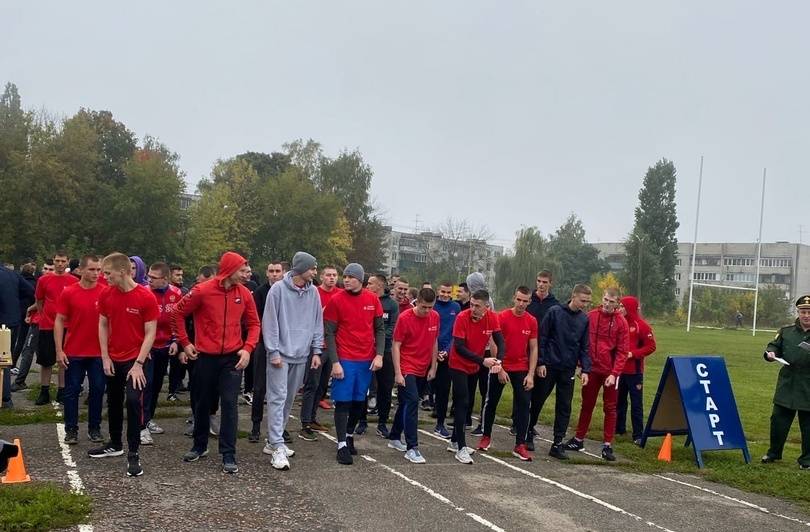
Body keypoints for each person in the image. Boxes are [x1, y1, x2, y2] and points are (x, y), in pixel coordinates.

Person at [173, 252, 260, 474]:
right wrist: (185, 342)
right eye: (242, 270)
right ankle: (199, 445)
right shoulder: (202, 291)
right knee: (202, 402)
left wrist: (248, 349)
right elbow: (178, 313)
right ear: (229, 270)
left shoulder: (244, 293)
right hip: (205, 357)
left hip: (232, 358)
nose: (246, 275)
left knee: (230, 403)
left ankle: (228, 452)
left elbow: (254, 323)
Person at [88, 252, 159, 478]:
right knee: (114, 400)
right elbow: (102, 324)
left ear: (122, 271)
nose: (104, 277)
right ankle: (115, 443)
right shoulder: (107, 294)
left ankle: (134, 452)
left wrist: (138, 363)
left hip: (136, 360)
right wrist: (105, 356)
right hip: (113, 358)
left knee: (133, 401)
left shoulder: (145, 297)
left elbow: (151, 332)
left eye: (107, 273)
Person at [262, 252, 324, 471]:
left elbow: (317, 322)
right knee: (277, 398)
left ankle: (274, 440)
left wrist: (316, 351)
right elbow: (270, 322)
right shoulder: (278, 289)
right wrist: (273, 351)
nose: (315, 272)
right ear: (302, 268)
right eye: (312, 268)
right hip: (280, 354)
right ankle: (277, 445)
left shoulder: (313, 292)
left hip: (301, 354)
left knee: (288, 399)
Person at [323, 263, 385, 465]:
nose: (346, 280)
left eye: (351, 277)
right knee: (343, 402)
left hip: (366, 360)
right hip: (345, 358)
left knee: (359, 402)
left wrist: (379, 355)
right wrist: (335, 362)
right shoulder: (336, 300)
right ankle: (341, 444)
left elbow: (379, 329)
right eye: (345, 276)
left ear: (360, 279)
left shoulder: (372, 299)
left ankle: (349, 434)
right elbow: (329, 332)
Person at [565, 287, 628, 461]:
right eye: (605, 300)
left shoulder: (621, 322)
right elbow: (582, 343)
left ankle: (607, 444)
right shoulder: (591, 316)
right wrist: (581, 365)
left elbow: (622, 351)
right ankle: (578, 439)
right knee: (587, 404)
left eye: (611, 302)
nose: (607, 304)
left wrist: (614, 373)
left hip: (610, 372)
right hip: (591, 369)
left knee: (610, 407)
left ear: (617, 303)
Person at [477, 286, 538, 461]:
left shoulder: (532, 321)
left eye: (525, 301)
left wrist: (531, 374)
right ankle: (486, 436)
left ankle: (520, 444)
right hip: (500, 365)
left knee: (524, 405)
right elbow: (493, 343)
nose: (521, 304)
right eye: (518, 299)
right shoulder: (501, 317)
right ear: (514, 298)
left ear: (529, 302)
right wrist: (500, 367)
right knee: (491, 402)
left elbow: (534, 348)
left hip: (521, 367)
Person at [534, 284, 592, 460]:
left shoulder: (584, 319)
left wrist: (585, 369)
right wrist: (541, 362)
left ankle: (557, 443)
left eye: (588, 302)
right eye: (583, 300)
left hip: (568, 368)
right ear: (573, 296)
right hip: (550, 365)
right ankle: (528, 432)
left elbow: (585, 346)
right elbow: (542, 338)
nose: (585, 305)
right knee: (538, 399)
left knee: (565, 406)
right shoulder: (554, 312)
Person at [447, 289, 504, 464]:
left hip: (474, 365)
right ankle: (461, 447)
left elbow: (500, 341)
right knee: (462, 401)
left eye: (477, 306)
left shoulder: (492, 317)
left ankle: (454, 441)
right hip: (458, 364)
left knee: (469, 401)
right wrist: (483, 360)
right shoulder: (462, 317)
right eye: (471, 304)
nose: (473, 309)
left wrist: (499, 361)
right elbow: (459, 347)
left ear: (487, 307)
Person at [54, 254, 105, 444]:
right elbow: (59, 320)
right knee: (72, 391)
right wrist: (59, 350)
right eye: (92, 269)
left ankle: (94, 428)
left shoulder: (105, 291)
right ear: (81, 270)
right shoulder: (69, 292)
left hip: (98, 352)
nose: (96, 273)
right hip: (74, 350)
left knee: (98, 390)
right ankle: (71, 429)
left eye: (98, 270)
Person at [387, 288, 439, 463]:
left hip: (423, 367)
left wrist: (433, 366)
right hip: (407, 365)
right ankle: (412, 447)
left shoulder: (435, 317)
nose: (427, 311)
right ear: (417, 302)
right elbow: (396, 345)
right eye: (424, 307)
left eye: (430, 307)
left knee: (405, 403)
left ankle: (394, 436)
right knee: (412, 402)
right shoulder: (405, 318)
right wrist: (398, 372)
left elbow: (434, 342)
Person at [761, 295, 810, 470]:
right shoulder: (786, 331)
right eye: (803, 312)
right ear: (798, 312)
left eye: (809, 312)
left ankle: (807, 460)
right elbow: (774, 346)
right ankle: (773, 453)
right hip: (788, 382)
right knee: (778, 420)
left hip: (808, 384)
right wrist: (770, 353)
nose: (806, 315)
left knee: (808, 425)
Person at [141, 262, 183, 444]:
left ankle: (149, 418)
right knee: (146, 384)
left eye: (153, 277)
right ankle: (141, 425)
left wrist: (176, 340)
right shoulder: (144, 292)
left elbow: (178, 318)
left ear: (165, 279)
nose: (149, 280)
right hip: (147, 347)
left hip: (165, 346)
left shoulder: (177, 293)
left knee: (157, 384)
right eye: (148, 276)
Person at [299, 265, 342, 436]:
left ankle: (313, 417)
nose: (331, 278)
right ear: (322, 277)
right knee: (312, 384)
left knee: (323, 385)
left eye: (334, 275)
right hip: (315, 346)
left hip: (332, 347)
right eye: (328, 275)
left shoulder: (340, 294)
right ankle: (305, 421)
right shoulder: (314, 293)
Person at [31, 251, 78, 405]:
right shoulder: (44, 280)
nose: (59, 264)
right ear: (54, 261)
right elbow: (39, 300)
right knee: (46, 360)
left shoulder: (73, 281)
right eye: (57, 260)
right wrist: (43, 314)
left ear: (67, 262)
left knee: (64, 361)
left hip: (67, 326)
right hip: (47, 325)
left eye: (63, 261)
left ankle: (62, 390)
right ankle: (44, 390)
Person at [248, 261, 286, 443]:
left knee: (283, 389)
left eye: (278, 271)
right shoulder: (259, 292)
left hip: (285, 344)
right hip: (263, 343)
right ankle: (256, 426)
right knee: (259, 387)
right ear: (267, 273)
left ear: (283, 272)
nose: (274, 274)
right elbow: (255, 318)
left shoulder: (287, 291)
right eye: (271, 271)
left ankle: (281, 427)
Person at [524, 269, 559, 448]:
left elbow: (554, 332)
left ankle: (530, 426)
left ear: (550, 283)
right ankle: (521, 424)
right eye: (539, 281)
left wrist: (544, 359)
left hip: (544, 354)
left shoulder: (555, 305)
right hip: (525, 352)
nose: (541, 285)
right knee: (524, 392)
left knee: (539, 395)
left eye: (545, 282)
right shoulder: (528, 301)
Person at [615, 296, 656, 444]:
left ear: (630, 308)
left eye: (622, 306)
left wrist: (633, 354)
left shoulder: (642, 326)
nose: (619, 309)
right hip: (620, 370)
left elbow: (651, 346)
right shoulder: (619, 323)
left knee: (636, 403)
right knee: (619, 401)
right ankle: (619, 429)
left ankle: (638, 434)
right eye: (619, 306)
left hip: (635, 372)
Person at [362, 273, 398, 438]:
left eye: (371, 283)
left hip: (386, 351)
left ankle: (382, 422)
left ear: (380, 285)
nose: (367, 286)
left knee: (385, 388)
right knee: (363, 387)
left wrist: (378, 340)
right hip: (365, 350)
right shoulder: (364, 300)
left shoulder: (391, 305)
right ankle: (361, 421)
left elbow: (392, 327)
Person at [0, 264, 34, 407]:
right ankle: (6, 398)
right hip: (12, 320)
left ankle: (4, 397)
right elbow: (30, 291)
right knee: (5, 358)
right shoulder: (11, 274)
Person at [465, 271, 493, 436]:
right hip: (475, 349)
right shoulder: (475, 300)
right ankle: (466, 417)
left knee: (484, 387)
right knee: (470, 385)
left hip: (485, 350)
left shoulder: (486, 302)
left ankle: (483, 422)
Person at [432, 281, 460, 439]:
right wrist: (433, 351)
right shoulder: (432, 305)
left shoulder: (455, 307)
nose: (446, 295)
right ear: (438, 291)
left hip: (446, 355)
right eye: (443, 292)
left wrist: (446, 351)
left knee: (443, 391)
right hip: (428, 353)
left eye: (449, 292)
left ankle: (440, 424)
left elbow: (456, 333)